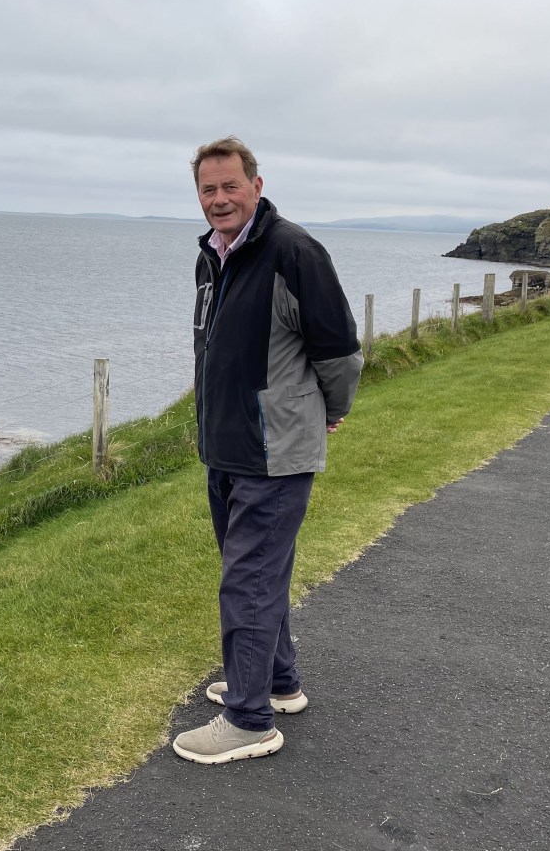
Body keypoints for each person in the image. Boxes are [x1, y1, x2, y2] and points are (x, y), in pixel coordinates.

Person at [172, 136, 364, 765]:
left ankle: (250, 719)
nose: (219, 199)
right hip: (226, 448)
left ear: (256, 184)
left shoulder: (293, 251)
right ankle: (276, 683)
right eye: (208, 189)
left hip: (274, 452)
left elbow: (337, 352)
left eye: (230, 186)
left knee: (247, 582)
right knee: (256, 573)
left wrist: (329, 411)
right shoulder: (214, 256)